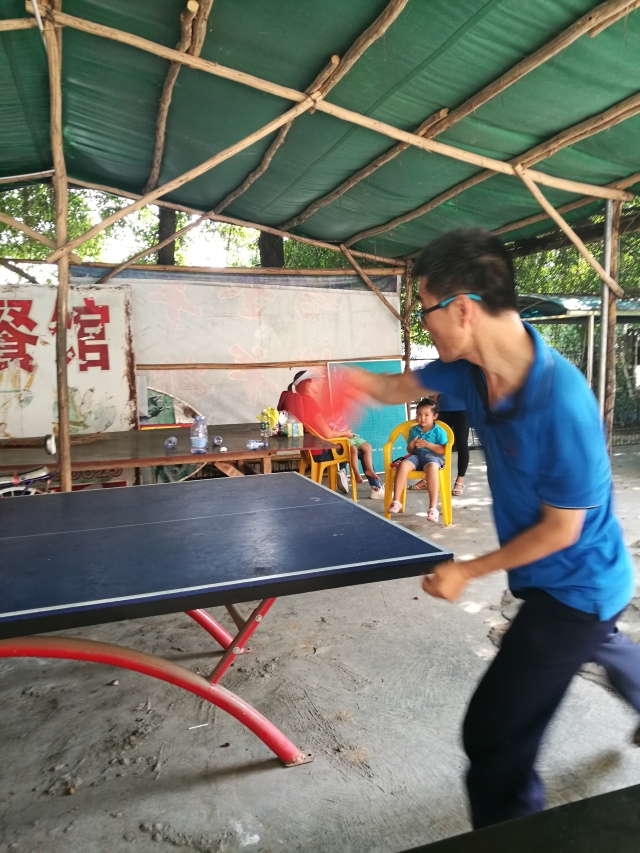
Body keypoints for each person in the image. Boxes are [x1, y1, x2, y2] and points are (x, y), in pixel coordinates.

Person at [342, 227, 639, 828]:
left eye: (424, 309)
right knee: (604, 645)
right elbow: (396, 385)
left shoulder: (563, 402)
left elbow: (560, 531)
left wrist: (467, 570)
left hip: (576, 589)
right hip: (558, 583)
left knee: (495, 737)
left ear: (462, 309)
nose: (422, 323)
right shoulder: (467, 372)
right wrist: (340, 386)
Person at [278, 369, 384, 499]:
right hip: (322, 451)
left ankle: (345, 472)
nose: (319, 383)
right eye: (316, 381)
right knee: (360, 449)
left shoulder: (299, 401)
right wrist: (345, 433)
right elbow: (328, 435)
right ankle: (376, 488)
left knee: (350, 445)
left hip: (311, 449)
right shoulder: (310, 403)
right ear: (308, 384)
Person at [388, 397, 447, 523]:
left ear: (435, 416)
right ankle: (396, 501)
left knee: (432, 468)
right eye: (419, 414)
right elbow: (410, 450)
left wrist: (427, 444)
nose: (422, 418)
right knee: (403, 465)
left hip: (433, 457)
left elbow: (443, 450)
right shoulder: (414, 430)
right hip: (416, 456)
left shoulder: (439, 431)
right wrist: (412, 444)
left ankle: (433, 508)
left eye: (426, 415)